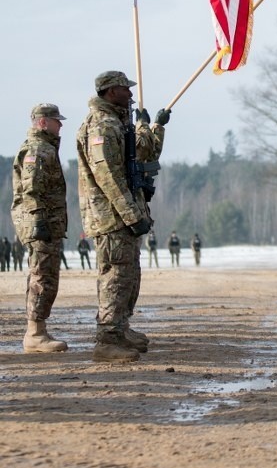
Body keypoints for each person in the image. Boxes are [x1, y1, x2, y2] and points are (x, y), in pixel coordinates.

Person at [77, 70, 169, 363]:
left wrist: (151, 126)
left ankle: (119, 329)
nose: (131, 94)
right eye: (125, 90)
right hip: (111, 216)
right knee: (115, 276)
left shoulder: (117, 123)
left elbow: (144, 152)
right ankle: (107, 340)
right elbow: (109, 178)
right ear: (109, 92)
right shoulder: (101, 126)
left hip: (121, 215)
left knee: (126, 273)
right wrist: (132, 214)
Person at [11, 103, 68, 353]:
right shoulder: (37, 149)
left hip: (47, 222)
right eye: (56, 120)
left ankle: (37, 330)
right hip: (40, 223)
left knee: (45, 275)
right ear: (43, 122)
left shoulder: (46, 148)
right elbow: (31, 188)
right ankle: (35, 333)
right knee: (42, 276)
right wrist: (38, 220)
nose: (60, 125)